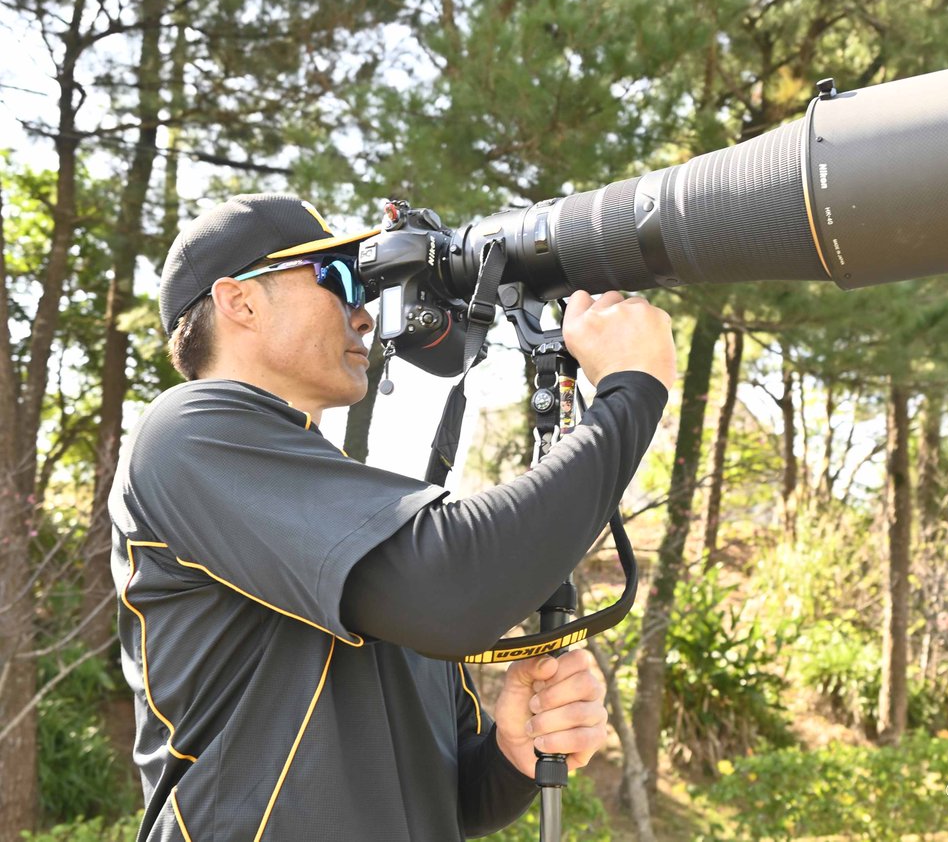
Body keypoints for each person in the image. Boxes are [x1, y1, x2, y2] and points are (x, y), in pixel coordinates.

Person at [109, 193, 677, 841]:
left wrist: (513, 755)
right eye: (341, 281)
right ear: (241, 301)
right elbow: (453, 587)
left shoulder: (362, 519)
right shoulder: (184, 434)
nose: (364, 314)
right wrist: (632, 391)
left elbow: (455, 800)